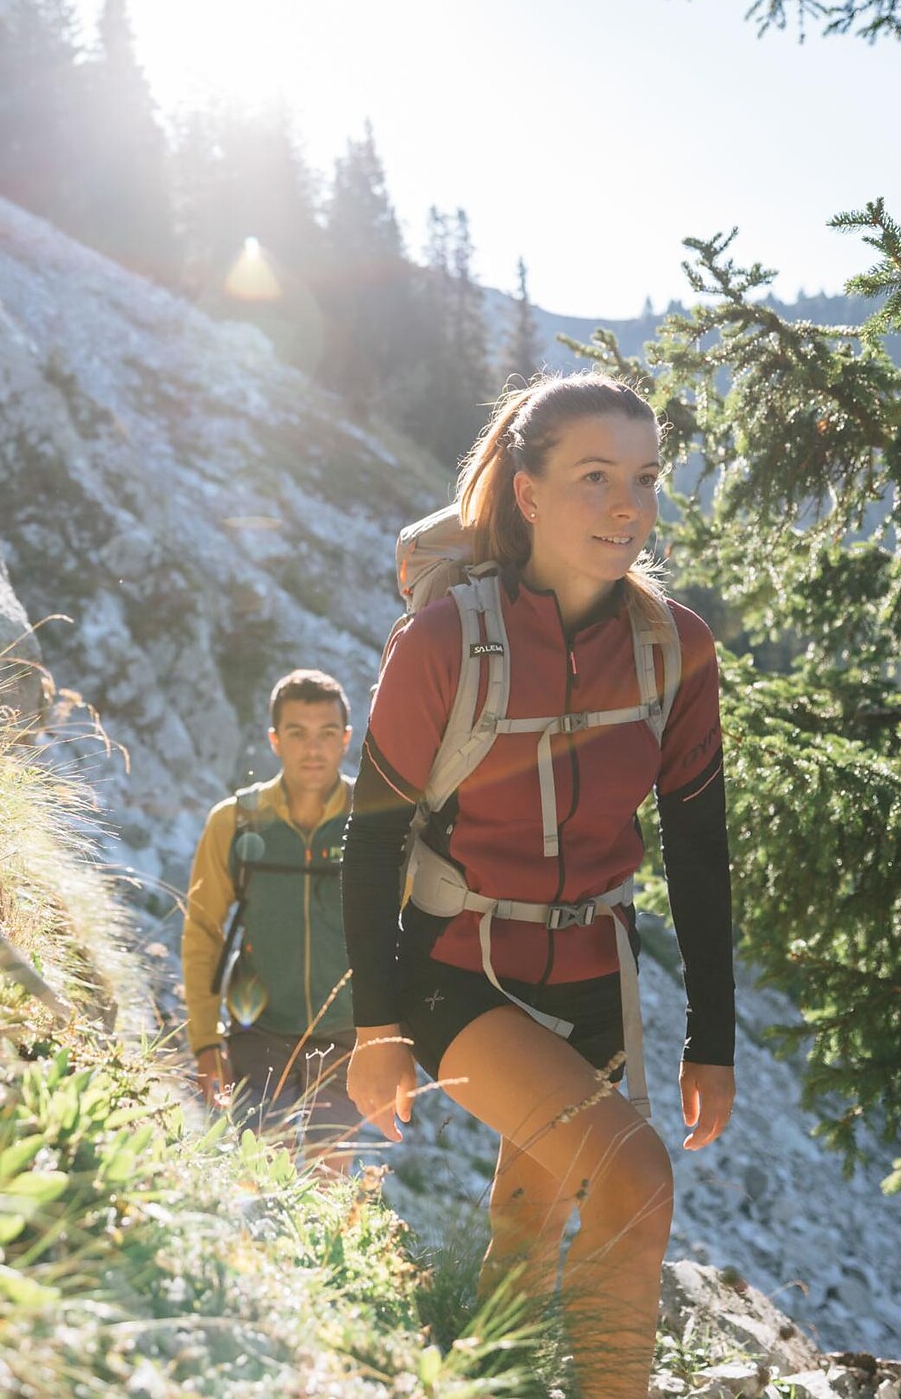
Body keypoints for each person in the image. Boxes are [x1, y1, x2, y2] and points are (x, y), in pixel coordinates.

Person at [342, 373, 736, 1399]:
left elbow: (699, 852)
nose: (628, 507)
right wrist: (376, 1028)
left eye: (645, 479)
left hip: (594, 981)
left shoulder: (676, 650)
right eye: (595, 477)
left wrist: (713, 1039)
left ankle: (483, 1380)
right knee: (637, 1177)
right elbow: (370, 842)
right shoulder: (442, 644)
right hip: (457, 973)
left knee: (526, 1224)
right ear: (527, 492)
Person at [182, 669, 361, 1171]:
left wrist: (394, 1039)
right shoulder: (235, 821)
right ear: (274, 740)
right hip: (258, 1032)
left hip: (349, 1037)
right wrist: (205, 1040)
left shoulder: (373, 820)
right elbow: (203, 935)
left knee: (328, 1180)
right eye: (297, 733)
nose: (314, 749)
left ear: (346, 740)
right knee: (258, 1175)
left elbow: (409, 931)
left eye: (327, 733)